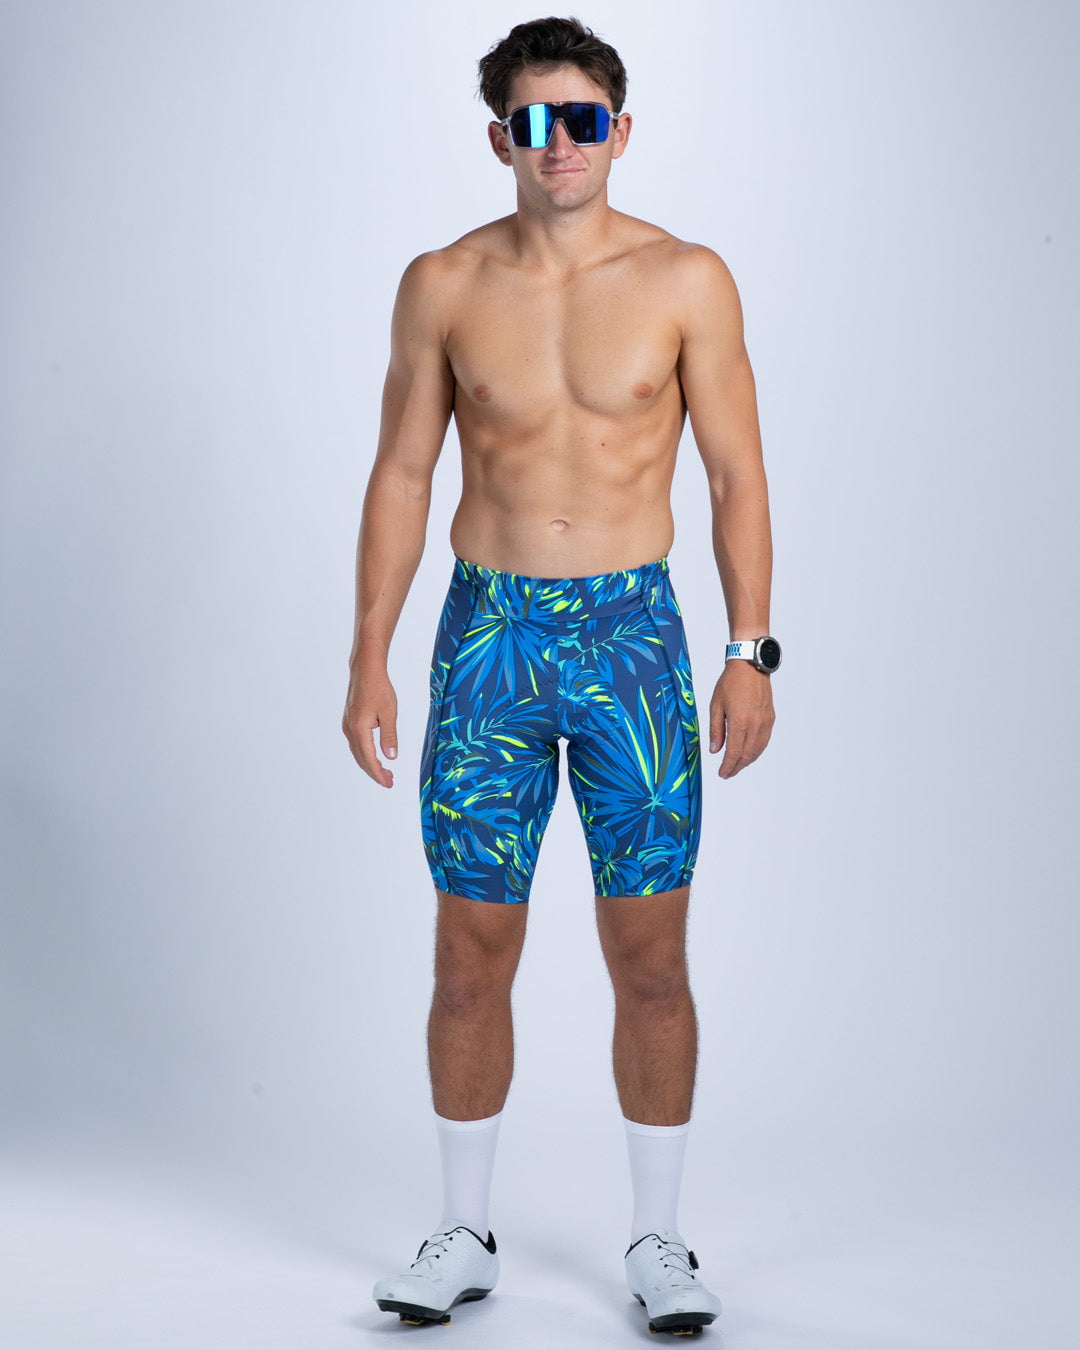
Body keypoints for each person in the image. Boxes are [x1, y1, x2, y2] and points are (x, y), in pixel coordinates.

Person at [342, 16, 778, 1336]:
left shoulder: (687, 278)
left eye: (582, 118)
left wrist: (749, 649)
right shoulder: (444, 283)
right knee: (469, 948)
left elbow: (736, 474)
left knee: (649, 953)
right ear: (500, 139)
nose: (559, 144)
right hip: (491, 639)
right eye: (533, 122)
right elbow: (403, 472)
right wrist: (368, 650)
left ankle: (660, 1240)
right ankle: (462, 1233)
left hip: (635, 641)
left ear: (620, 131)